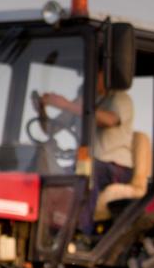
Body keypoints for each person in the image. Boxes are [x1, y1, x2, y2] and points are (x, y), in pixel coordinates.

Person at [41, 71, 135, 234]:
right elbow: (51, 129)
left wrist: (66, 104)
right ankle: (47, 230)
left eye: (94, 73)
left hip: (116, 167)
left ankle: (82, 232)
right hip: (87, 163)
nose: (88, 78)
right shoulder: (83, 101)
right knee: (54, 175)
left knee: (87, 171)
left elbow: (109, 120)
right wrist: (41, 109)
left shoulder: (119, 99)